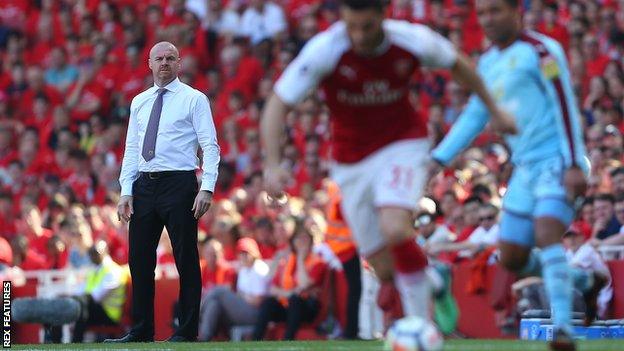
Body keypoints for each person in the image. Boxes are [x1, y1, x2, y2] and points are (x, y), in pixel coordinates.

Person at [261, 0, 515, 327]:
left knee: (396, 226)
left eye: (366, 27)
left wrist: (494, 110)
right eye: (351, 26)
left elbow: (459, 64)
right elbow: (277, 105)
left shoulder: (411, 40)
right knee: (382, 268)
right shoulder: (326, 49)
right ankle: (430, 281)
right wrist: (272, 163)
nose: (358, 36)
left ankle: (421, 331)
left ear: (384, 14)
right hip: (350, 160)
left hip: (402, 143)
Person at [429, 0, 605, 349]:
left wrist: (572, 161)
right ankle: (585, 283)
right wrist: (439, 158)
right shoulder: (488, 63)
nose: (488, 19)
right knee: (511, 258)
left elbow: (565, 106)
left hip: (558, 159)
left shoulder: (542, 51)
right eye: (483, 14)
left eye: (496, 11)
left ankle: (562, 330)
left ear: (516, 12)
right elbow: (475, 115)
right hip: (525, 170)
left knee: (546, 232)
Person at [109, 41, 220, 343]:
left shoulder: (194, 99)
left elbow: (209, 145)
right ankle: (142, 329)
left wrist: (207, 187)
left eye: (170, 58)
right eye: (159, 58)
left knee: (185, 258)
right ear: (149, 64)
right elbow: (132, 147)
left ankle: (186, 331)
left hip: (179, 183)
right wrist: (126, 190)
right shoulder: (140, 101)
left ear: (179, 63)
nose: (165, 63)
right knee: (139, 259)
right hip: (144, 184)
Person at [252, 223, 328, 340]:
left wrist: (300, 259)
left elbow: (303, 284)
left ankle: (287, 340)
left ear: (311, 241)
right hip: (288, 307)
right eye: (298, 238)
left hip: (308, 310)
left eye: (305, 238)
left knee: (295, 300)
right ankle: (255, 340)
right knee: (269, 303)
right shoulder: (286, 262)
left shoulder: (318, 262)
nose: (301, 242)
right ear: (293, 242)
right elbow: (272, 289)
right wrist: (289, 293)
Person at [198, 237, 270, 341]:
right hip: (243, 310)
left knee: (220, 291)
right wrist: (242, 296)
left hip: (256, 315)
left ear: (254, 253)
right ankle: (203, 338)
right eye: (240, 253)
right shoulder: (244, 269)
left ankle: (196, 313)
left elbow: (257, 301)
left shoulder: (259, 268)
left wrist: (243, 296)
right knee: (214, 304)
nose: (243, 256)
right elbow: (241, 294)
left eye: (246, 253)